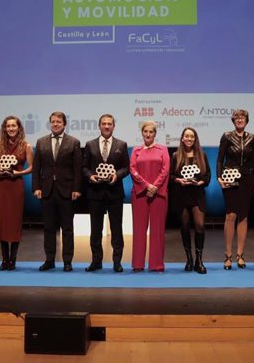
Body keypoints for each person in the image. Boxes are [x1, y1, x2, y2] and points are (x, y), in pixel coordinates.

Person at [32, 111, 82, 272]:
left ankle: (67, 261)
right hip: (47, 191)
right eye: (53, 121)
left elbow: (77, 169)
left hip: (67, 191)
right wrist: (36, 187)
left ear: (64, 124)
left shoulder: (73, 142)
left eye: (58, 122)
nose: (55, 124)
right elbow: (36, 169)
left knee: (67, 228)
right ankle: (50, 260)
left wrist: (76, 189)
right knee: (48, 228)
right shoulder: (41, 142)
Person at [82, 114, 129, 273]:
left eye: (109, 124)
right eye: (104, 124)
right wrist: (90, 176)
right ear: (99, 126)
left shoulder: (121, 145)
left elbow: (126, 168)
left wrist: (117, 175)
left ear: (114, 126)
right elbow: (84, 167)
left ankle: (117, 262)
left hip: (114, 193)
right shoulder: (90, 144)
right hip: (95, 193)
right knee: (95, 230)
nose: (107, 126)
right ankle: (96, 261)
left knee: (117, 229)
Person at [216, 109, 254, 270]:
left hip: (247, 179)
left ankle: (240, 255)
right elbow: (220, 159)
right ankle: (228, 255)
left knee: (244, 217)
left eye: (242, 118)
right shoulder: (226, 136)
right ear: (233, 121)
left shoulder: (252, 138)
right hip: (230, 177)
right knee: (230, 215)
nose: (240, 120)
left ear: (247, 120)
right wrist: (219, 178)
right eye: (237, 118)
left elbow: (253, 161)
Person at [0, 116, 33, 271]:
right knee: (1, 221)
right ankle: (4, 260)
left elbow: (31, 167)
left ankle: (13, 260)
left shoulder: (26, 146)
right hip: (1, 185)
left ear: (19, 128)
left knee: (14, 223)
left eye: (13, 126)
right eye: (8, 126)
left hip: (16, 185)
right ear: (4, 128)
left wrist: (17, 172)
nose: (11, 129)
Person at [130, 120, 170, 272]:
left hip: (158, 194)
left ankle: (156, 264)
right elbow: (133, 170)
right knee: (139, 229)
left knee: (157, 230)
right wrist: (147, 186)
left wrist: (155, 186)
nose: (148, 134)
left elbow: (165, 170)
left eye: (151, 132)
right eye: (145, 131)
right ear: (142, 133)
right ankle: (138, 264)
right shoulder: (135, 150)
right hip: (140, 194)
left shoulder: (162, 149)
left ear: (155, 133)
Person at [170, 127, 210, 274]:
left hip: (197, 195)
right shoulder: (176, 155)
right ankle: (189, 259)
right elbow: (170, 176)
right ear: (182, 138)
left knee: (200, 225)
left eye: (191, 136)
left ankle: (199, 260)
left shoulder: (202, 155)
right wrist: (179, 180)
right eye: (186, 136)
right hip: (181, 196)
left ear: (195, 139)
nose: (189, 139)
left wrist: (200, 183)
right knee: (185, 227)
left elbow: (208, 176)